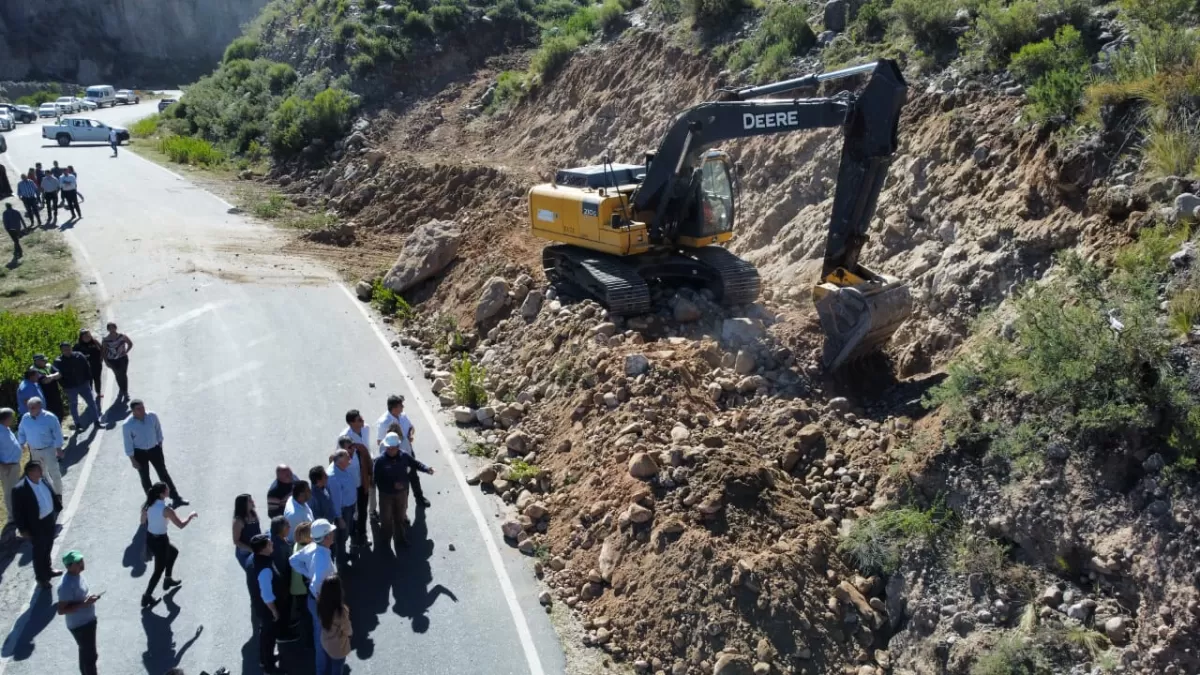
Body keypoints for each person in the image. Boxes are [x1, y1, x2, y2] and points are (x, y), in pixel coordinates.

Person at [289, 519, 337, 675]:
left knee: (321, 637)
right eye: (331, 532)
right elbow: (317, 584)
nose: (333, 533)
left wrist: (308, 573)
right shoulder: (323, 560)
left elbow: (293, 560)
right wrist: (321, 597)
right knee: (323, 640)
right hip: (321, 602)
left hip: (314, 600)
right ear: (327, 537)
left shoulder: (311, 547)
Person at [374, 432, 434, 552]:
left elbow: (415, 463)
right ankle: (385, 543)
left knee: (400, 517)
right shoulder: (380, 461)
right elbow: (377, 480)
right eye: (388, 448)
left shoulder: (404, 456)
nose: (390, 450)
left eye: (393, 448)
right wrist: (391, 485)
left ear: (398, 446)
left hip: (401, 494)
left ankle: (400, 540)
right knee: (386, 520)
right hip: (386, 496)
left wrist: (426, 469)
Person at [141, 482, 197, 609]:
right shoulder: (166, 510)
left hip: (151, 539)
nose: (168, 490)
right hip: (161, 541)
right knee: (158, 570)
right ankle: (146, 597)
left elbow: (142, 521)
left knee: (173, 552)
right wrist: (190, 516)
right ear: (161, 494)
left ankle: (168, 579)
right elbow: (181, 525)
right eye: (166, 490)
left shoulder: (148, 506)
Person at [123, 400, 188, 505]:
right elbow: (128, 443)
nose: (142, 410)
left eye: (143, 407)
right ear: (133, 411)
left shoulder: (152, 416)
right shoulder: (127, 425)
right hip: (140, 453)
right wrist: (133, 460)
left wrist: (160, 444)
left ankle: (176, 498)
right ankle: (153, 503)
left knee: (163, 474)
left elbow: (158, 430)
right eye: (139, 409)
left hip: (154, 449)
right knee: (145, 478)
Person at [12, 460, 61, 588]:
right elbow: (18, 513)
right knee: (39, 552)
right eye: (39, 469)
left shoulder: (42, 480)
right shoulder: (20, 490)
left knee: (48, 546)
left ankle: (48, 570)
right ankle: (41, 578)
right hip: (36, 525)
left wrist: (57, 507)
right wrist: (23, 530)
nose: (41, 470)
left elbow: (50, 493)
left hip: (49, 519)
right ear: (30, 472)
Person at [376, 394, 429, 509]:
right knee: (402, 484)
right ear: (394, 408)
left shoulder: (403, 416)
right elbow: (380, 441)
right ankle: (402, 511)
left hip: (407, 451)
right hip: (394, 456)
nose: (403, 407)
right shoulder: (384, 422)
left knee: (414, 477)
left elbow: (411, 427)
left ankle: (419, 498)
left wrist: (410, 434)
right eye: (401, 405)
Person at [57, 550, 100, 675]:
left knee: (85, 653)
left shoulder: (77, 574)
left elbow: (81, 595)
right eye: (78, 562)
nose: (82, 563)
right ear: (69, 566)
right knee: (91, 657)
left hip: (88, 621)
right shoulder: (66, 585)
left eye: (81, 560)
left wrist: (89, 598)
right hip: (81, 626)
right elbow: (61, 610)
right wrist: (85, 604)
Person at [249, 534, 286, 674]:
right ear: (263, 549)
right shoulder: (264, 569)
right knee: (269, 638)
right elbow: (267, 595)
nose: (272, 544)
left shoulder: (253, 559)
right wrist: (275, 612)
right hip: (268, 610)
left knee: (264, 635)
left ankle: (264, 660)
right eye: (269, 544)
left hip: (260, 607)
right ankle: (269, 668)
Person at [17, 397, 64, 493]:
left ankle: (59, 493)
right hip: (34, 451)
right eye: (29, 407)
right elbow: (21, 432)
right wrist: (21, 443)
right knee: (41, 473)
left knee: (54, 472)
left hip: (49, 450)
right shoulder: (25, 418)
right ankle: (50, 492)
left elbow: (57, 433)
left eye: (33, 408)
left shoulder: (50, 417)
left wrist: (58, 448)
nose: (30, 410)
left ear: (40, 406)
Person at [339, 411, 372, 544]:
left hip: (362, 478)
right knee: (352, 511)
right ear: (351, 422)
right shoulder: (344, 437)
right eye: (359, 419)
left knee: (363, 508)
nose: (362, 420)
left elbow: (367, 450)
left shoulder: (366, 429)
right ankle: (353, 536)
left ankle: (362, 533)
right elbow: (338, 459)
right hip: (350, 484)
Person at [53, 341, 98, 432]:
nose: (67, 351)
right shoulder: (58, 361)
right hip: (70, 388)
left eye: (69, 348)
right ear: (61, 351)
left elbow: (87, 368)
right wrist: (64, 386)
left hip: (83, 384)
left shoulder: (79, 356)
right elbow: (57, 375)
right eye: (65, 350)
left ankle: (96, 421)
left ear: (71, 348)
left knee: (91, 403)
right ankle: (77, 424)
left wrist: (88, 381)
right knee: (73, 406)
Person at [232, 493, 262, 623]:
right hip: (245, 553)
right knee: (253, 575)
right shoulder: (238, 521)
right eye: (250, 501)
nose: (252, 502)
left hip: (257, 550)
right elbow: (236, 541)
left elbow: (258, 531)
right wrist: (251, 549)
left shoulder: (253, 515)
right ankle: (255, 601)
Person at [327, 449, 357, 567]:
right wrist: (340, 518)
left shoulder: (342, 468)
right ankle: (341, 559)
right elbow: (336, 500)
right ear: (339, 462)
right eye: (347, 458)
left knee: (346, 532)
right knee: (342, 534)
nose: (350, 460)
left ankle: (342, 554)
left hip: (349, 507)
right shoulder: (333, 477)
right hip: (344, 510)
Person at [317, 575, 352, 675]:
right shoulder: (341, 611)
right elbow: (347, 629)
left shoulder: (320, 604)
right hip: (338, 647)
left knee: (328, 664)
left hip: (324, 640)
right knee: (337, 669)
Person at [0, 409, 23, 531]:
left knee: (15, 490)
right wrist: (3, 465)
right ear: (6, 418)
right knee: (10, 492)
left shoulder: (5, 428)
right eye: (11, 417)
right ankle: (12, 518)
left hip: (13, 465)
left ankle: (17, 512)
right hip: (7, 467)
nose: (13, 419)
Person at [290, 521, 313, 631]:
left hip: (297, 588)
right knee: (308, 615)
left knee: (304, 613)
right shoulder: (307, 551)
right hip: (303, 589)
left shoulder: (297, 545)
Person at [101, 323, 132, 400]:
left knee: (123, 375)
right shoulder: (105, 340)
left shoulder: (122, 336)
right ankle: (122, 389)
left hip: (122, 358)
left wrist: (126, 351)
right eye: (110, 328)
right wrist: (106, 362)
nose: (112, 329)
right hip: (112, 360)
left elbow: (130, 344)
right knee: (118, 375)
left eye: (113, 327)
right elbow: (104, 351)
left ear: (115, 328)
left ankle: (125, 392)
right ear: (108, 329)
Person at [32, 353, 66, 421]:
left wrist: (50, 376)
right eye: (43, 360)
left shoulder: (48, 365)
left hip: (55, 392)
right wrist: (53, 376)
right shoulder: (33, 370)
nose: (45, 361)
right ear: (37, 361)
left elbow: (59, 374)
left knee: (60, 412)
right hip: (45, 396)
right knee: (51, 415)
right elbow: (45, 381)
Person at [74, 329, 104, 403]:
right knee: (88, 382)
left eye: (88, 335)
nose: (87, 337)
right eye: (85, 336)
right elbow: (73, 356)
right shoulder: (78, 346)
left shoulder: (95, 342)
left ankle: (98, 393)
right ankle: (90, 396)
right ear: (81, 337)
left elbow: (102, 349)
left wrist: (101, 357)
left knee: (97, 379)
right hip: (85, 368)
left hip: (96, 365)